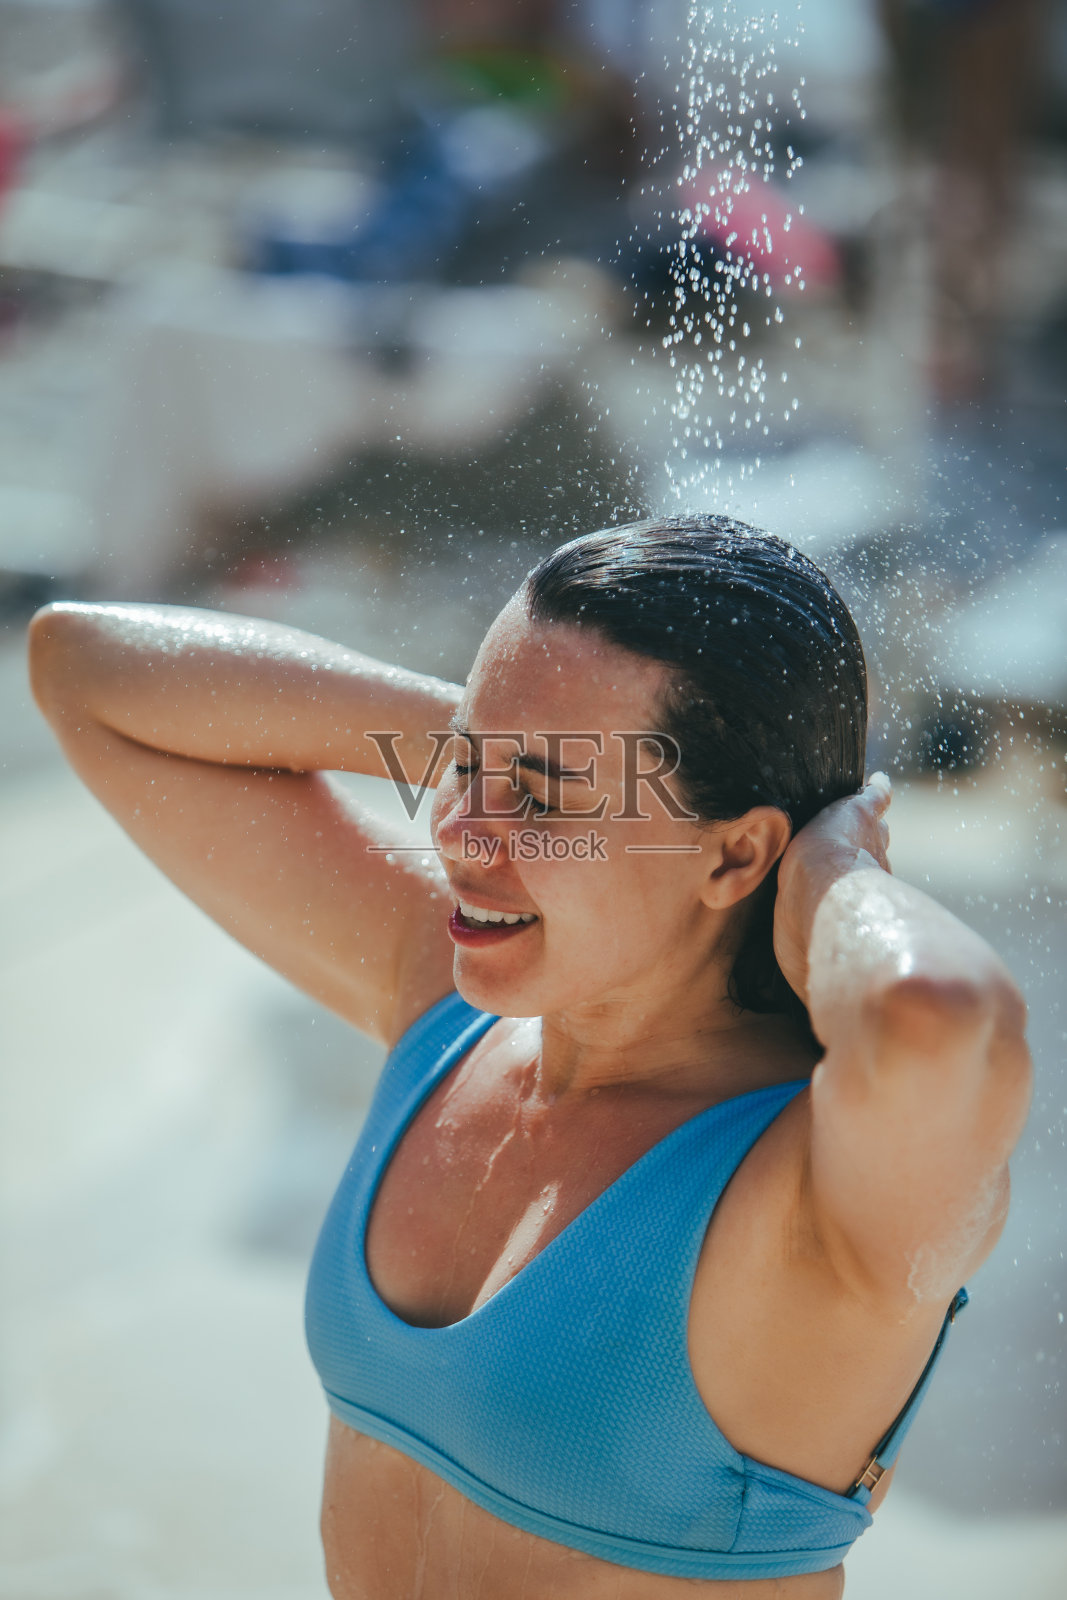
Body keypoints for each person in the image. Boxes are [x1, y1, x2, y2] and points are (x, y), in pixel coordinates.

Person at [28, 514, 1031, 1598]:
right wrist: (491, 739)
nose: (460, 831)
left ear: (737, 852)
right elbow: (83, 666)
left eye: (545, 798)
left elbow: (938, 1014)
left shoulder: (818, 1191)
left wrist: (833, 868)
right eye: (460, 768)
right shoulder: (448, 1007)